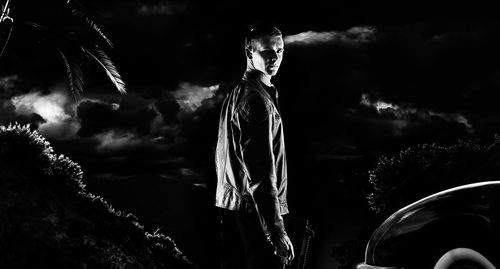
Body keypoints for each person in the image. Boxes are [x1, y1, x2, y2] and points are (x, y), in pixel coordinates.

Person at [215, 24, 294, 269]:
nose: (276, 58)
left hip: (234, 208)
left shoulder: (238, 94)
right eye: (267, 51)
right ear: (249, 52)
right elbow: (260, 172)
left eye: (280, 51)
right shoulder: (256, 100)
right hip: (255, 214)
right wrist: (276, 231)